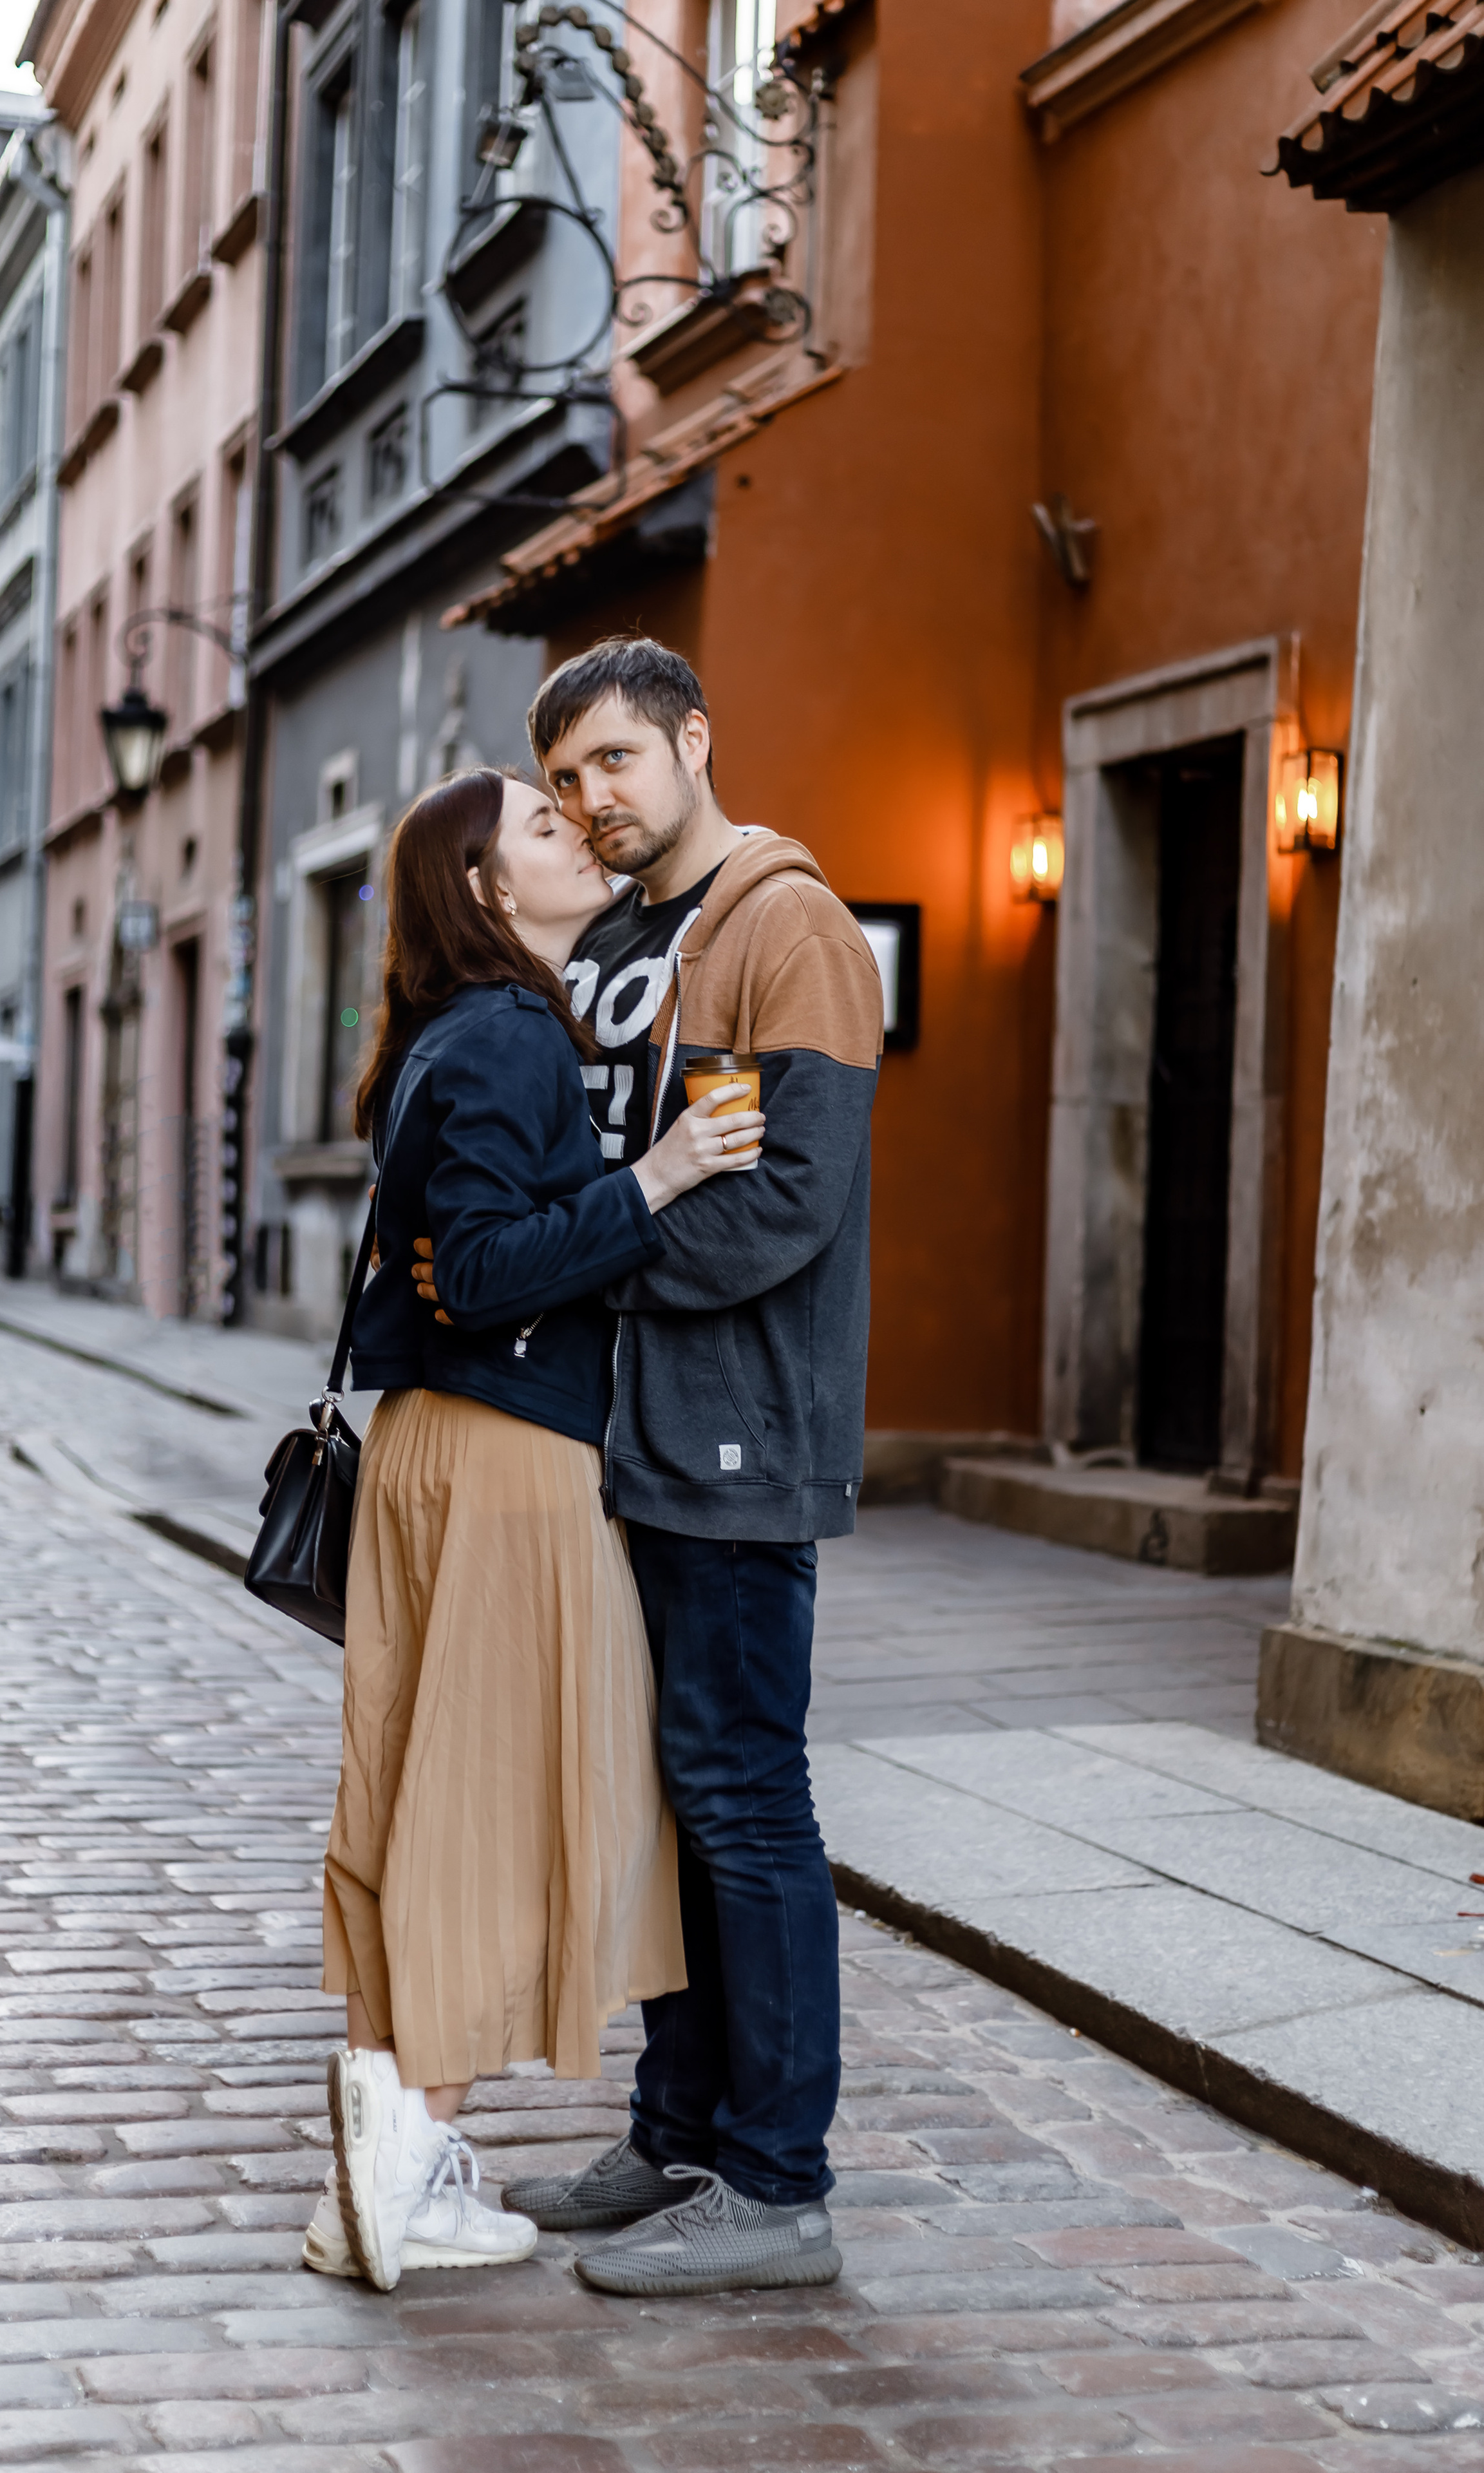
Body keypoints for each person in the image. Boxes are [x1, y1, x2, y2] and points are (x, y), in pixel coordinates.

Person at [305, 765, 767, 2296]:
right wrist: (660, 1173)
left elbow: (463, 1258)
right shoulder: (507, 1035)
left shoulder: (459, 1034)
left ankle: (378, 2145)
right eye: (545, 826)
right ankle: (410, 2158)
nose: (579, 828)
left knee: (425, 1790)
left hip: (443, 1448)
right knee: (498, 1807)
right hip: (506, 1462)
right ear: (491, 891)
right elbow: (492, 1267)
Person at [489, 638, 885, 2298]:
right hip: (624, 1437)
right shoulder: (625, 939)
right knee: (662, 1808)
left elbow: (777, 1203)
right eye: (566, 776)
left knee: (741, 1796)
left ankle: (777, 2187)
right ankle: (677, 2135)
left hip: (737, 1434)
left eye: (614, 763)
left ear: (691, 742)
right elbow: (609, 1164)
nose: (589, 799)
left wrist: (585, 1255)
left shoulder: (785, 926)